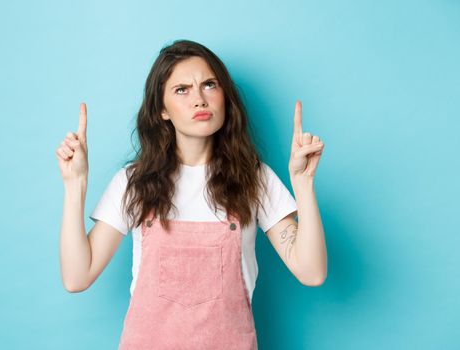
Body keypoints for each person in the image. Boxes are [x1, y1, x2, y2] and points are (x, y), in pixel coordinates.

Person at [56, 39, 327, 350]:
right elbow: (77, 277)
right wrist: (75, 185)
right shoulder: (134, 182)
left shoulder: (255, 178)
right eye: (182, 89)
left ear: (226, 96)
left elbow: (312, 271)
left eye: (209, 85)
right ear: (161, 110)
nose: (199, 99)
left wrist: (303, 183)